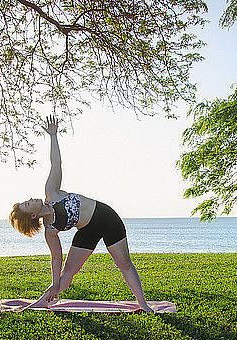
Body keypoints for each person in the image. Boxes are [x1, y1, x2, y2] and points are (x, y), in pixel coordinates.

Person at [9, 115, 154, 313]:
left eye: (28, 200)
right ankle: (46, 298)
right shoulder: (50, 231)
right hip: (87, 230)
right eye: (28, 203)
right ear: (33, 216)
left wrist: (53, 136)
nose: (32, 199)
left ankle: (143, 304)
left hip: (106, 218)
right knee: (67, 272)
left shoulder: (52, 192)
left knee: (124, 264)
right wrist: (54, 282)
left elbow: (56, 164)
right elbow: (56, 259)